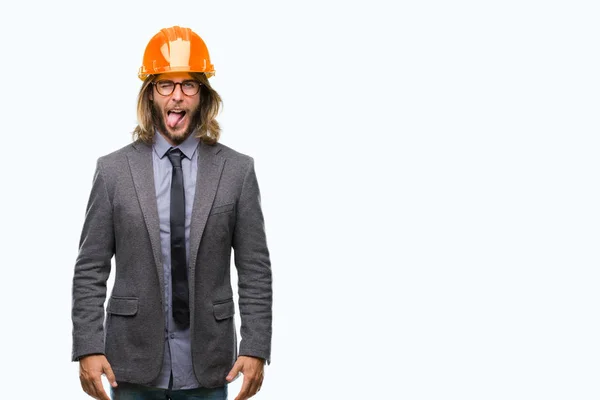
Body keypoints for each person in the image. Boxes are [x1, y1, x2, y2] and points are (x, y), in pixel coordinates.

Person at [71, 26, 272, 400]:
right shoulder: (113, 171)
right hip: (129, 365)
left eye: (189, 85)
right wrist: (88, 345)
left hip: (210, 365)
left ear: (203, 95)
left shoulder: (237, 171)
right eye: (166, 84)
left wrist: (255, 345)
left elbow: (255, 268)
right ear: (150, 95)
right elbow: (90, 267)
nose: (177, 95)